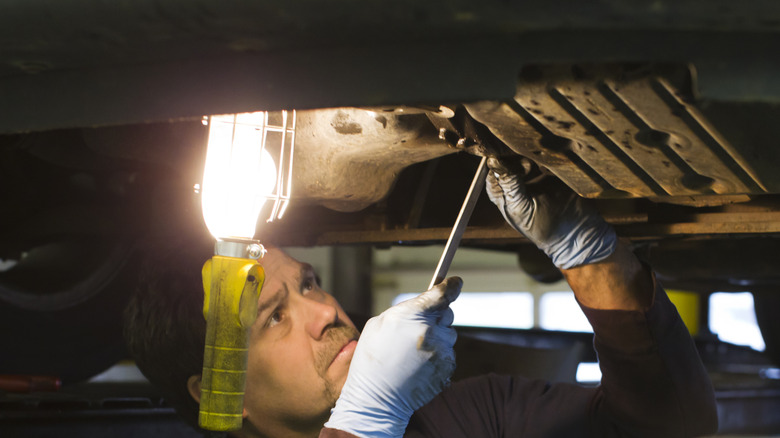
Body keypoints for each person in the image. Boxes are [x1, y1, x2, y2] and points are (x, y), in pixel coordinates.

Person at [124, 158, 718, 437]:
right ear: (219, 393)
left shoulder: (467, 418)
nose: (326, 311)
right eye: (274, 316)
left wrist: (588, 257)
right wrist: (364, 424)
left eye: (308, 284)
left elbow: (672, 430)